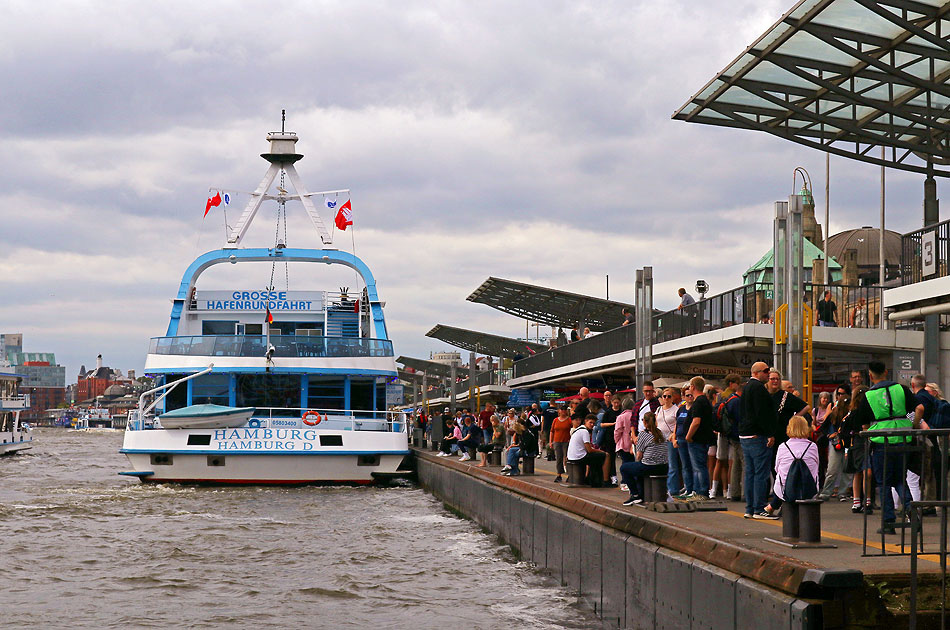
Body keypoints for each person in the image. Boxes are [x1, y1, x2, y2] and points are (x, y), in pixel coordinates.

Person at [849, 361, 924, 534]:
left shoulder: (868, 395)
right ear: (886, 372)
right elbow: (919, 408)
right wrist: (914, 425)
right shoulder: (901, 389)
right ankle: (911, 511)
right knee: (900, 479)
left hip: (881, 441)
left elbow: (864, 424)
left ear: (870, 375)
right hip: (904, 439)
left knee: (883, 482)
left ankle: (888, 522)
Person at [759, 415, 820, 519]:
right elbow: (816, 466)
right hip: (809, 488)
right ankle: (774, 506)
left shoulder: (783, 447)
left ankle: (774, 505)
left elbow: (777, 468)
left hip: (786, 489)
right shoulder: (813, 446)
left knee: (781, 479)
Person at [739, 361, 778, 518]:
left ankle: (750, 508)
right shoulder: (758, 388)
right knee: (761, 474)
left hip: (745, 435)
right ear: (756, 373)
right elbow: (762, 413)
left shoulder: (747, 387)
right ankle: (759, 508)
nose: (768, 373)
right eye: (765, 371)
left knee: (750, 473)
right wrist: (769, 433)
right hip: (757, 435)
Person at [621, 412, 670, 505]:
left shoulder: (643, 434)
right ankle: (641, 495)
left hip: (650, 467)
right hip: (663, 467)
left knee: (624, 468)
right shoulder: (661, 433)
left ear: (644, 422)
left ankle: (635, 495)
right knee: (638, 468)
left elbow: (639, 456)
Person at [818, 387, 853, 501]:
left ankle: (840, 492)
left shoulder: (848, 415)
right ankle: (830, 492)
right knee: (834, 469)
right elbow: (823, 427)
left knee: (843, 469)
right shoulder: (834, 414)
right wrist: (830, 435)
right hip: (840, 443)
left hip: (842, 443)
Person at [684, 376, 716, 500]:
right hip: (702, 438)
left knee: (699, 467)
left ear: (693, 387)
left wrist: (688, 436)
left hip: (697, 439)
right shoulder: (704, 400)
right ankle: (697, 492)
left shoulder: (698, 402)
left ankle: (702, 492)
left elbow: (696, 421)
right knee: (698, 467)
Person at [710, 374, 741, 499]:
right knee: (731, 462)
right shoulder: (735, 397)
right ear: (731, 383)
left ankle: (713, 490)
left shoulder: (720, 396)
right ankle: (728, 490)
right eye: (737, 383)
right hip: (732, 432)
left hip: (722, 432)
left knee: (719, 461)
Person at [567, 414, 607, 487]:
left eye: (593, 423)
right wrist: (600, 451)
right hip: (579, 457)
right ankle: (603, 480)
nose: (592, 425)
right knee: (603, 456)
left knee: (595, 458)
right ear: (585, 421)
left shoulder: (578, 430)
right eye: (590, 422)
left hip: (572, 456)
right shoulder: (584, 431)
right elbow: (589, 450)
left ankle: (591, 480)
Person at [655, 387, 680, 498]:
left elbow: (678, 424)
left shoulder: (676, 410)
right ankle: (662, 487)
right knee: (660, 463)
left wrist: (673, 435)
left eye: (669, 396)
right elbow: (656, 423)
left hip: (670, 440)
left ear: (673, 398)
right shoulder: (659, 409)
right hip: (659, 440)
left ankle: (672, 489)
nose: (666, 398)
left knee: (672, 465)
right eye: (664, 396)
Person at [671, 386, 695, 498]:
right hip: (680, 439)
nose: (689, 397)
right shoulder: (681, 409)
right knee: (685, 466)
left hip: (690, 439)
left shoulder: (695, 408)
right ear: (683, 397)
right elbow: (677, 424)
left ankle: (693, 489)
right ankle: (687, 487)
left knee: (693, 464)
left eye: (691, 395)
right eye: (687, 395)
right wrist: (674, 438)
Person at [601, 394, 621, 486]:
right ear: (612, 403)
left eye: (617, 403)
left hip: (620, 437)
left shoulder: (622, 412)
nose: (616, 404)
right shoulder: (608, 412)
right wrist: (613, 424)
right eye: (615, 403)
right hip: (610, 437)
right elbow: (602, 424)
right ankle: (613, 476)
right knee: (611, 457)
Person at [550, 405, 573, 483]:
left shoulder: (569, 420)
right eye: (562, 409)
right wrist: (551, 441)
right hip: (557, 441)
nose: (563, 411)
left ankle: (569, 474)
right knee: (558, 458)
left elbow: (573, 429)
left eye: (565, 409)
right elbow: (552, 431)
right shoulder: (555, 420)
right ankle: (559, 474)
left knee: (567, 458)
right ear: (559, 411)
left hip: (566, 441)